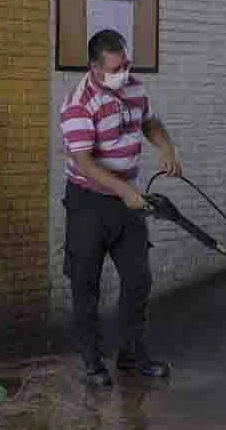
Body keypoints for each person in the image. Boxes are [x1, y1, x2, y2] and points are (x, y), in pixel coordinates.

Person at [59, 29, 182, 387]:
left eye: (126, 65)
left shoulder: (134, 88)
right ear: (95, 68)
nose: (123, 73)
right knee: (85, 282)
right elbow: (85, 163)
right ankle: (92, 361)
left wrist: (167, 148)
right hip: (88, 202)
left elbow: (150, 122)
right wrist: (124, 191)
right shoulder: (79, 104)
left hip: (127, 200)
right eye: (116, 69)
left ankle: (132, 355)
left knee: (138, 278)